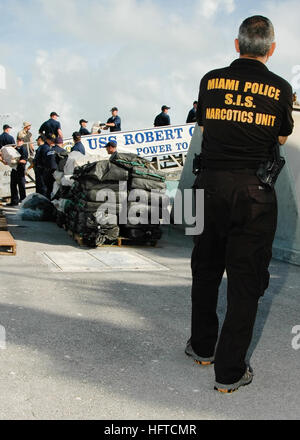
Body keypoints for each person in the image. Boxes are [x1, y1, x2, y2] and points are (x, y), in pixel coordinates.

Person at [186, 16, 294, 394]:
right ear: (272, 49)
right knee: (246, 281)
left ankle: (201, 348)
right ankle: (229, 374)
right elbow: (281, 135)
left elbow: (203, 128)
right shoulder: (281, 87)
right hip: (254, 191)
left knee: (205, 267)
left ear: (237, 45)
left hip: (206, 187)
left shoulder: (210, 79)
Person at [44, 134, 66, 199]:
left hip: (47, 174)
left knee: (49, 191)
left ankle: (48, 205)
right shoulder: (62, 151)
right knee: (57, 191)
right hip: (56, 174)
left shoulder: (48, 151)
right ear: (61, 143)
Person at [8, 136, 28, 206]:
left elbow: (24, 160)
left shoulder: (23, 149)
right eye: (18, 141)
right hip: (14, 169)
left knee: (21, 186)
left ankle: (23, 201)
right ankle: (14, 201)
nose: (18, 142)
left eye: (20, 141)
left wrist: (17, 161)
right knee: (13, 185)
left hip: (20, 169)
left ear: (23, 141)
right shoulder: (15, 149)